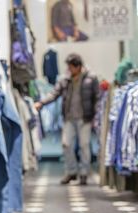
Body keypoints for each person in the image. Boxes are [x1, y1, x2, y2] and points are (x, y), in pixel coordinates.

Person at [35, 54, 99, 185]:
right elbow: (54, 93)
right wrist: (41, 103)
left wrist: (95, 117)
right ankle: (71, 172)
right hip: (69, 118)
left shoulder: (91, 79)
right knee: (66, 144)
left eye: (71, 67)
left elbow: (96, 98)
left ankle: (84, 173)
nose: (69, 70)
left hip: (84, 118)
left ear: (78, 66)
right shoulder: (65, 80)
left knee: (84, 145)